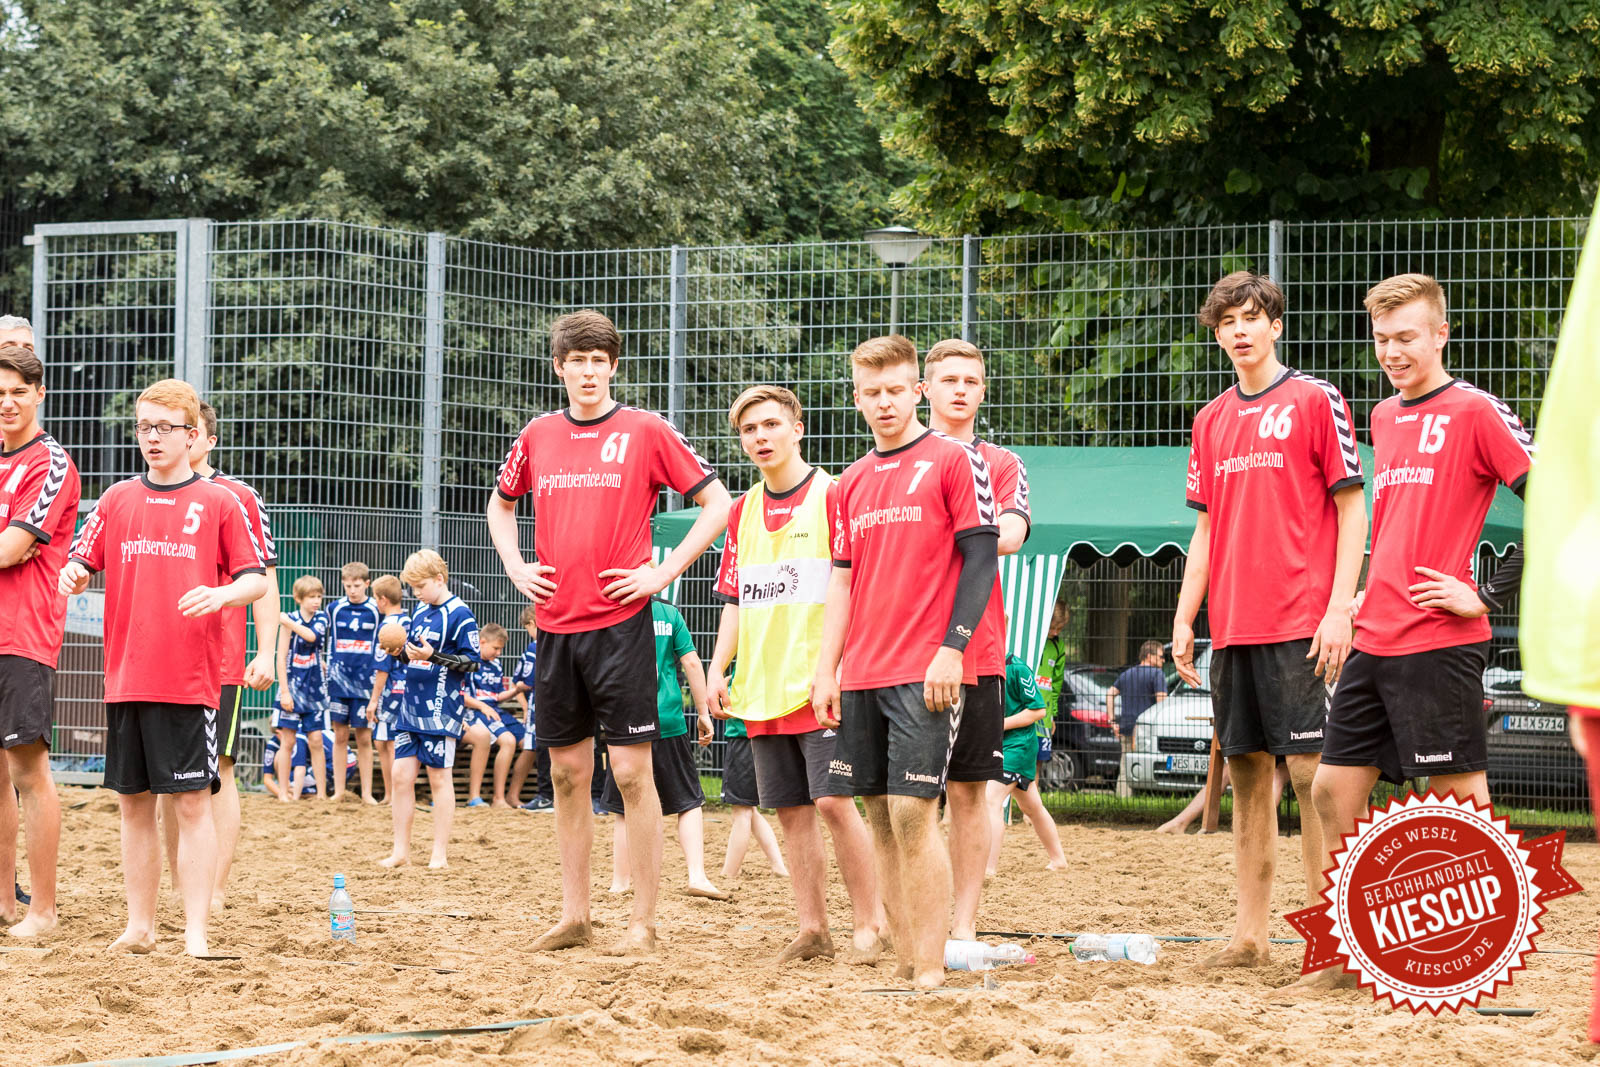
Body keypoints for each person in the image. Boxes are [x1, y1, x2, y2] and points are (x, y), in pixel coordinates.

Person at [1290, 273, 1532, 993]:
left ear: (1440, 335)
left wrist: (1486, 591)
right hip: (1376, 632)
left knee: (1458, 798)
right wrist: (1367, 588)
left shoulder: (1477, 410)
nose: (1393, 351)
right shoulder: (1384, 414)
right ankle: (1347, 954)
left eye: (1407, 337)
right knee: (1333, 789)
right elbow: (1395, 523)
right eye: (1383, 338)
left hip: (1442, 639)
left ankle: (1481, 956)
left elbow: (1561, 502)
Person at [486, 308, 730, 955]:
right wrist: (514, 564)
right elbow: (501, 501)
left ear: (613, 365)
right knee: (566, 774)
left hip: (623, 626)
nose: (589, 370)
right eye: (578, 359)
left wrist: (664, 572)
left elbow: (718, 502)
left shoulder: (645, 429)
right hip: (556, 627)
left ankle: (643, 924)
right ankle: (576, 915)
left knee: (629, 774)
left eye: (601, 359)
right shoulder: (538, 433)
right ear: (559, 366)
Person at [1172, 271, 1367, 971]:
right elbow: (1203, 529)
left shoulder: (1316, 399)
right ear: (1217, 333)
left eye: (1252, 316)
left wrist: (1341, 606)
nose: (1241, 329)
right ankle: (1249, 937)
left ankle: (1334, 940)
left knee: (1316, 774)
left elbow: (1352, 506)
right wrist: (1186, 615)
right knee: (1248, 776)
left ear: (1275, 325)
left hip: (1302, 622)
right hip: (1234, 627)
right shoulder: (1210, 419)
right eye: (1228, 320)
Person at [813, 334, 999, 989]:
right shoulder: (850, 483)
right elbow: (841, 581)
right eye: (872, 392)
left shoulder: (953, 459)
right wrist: (824, 667)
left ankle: (930, 962)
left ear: (917, 390)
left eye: (896, 389)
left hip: (928, 668)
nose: (885, 402)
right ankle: (902, 959)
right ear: (857, 399)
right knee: (878, 816)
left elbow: (980, 557)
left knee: (915, 811)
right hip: (861, 670)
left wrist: (953, 646)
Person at [59, 378, 266, 956]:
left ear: (192, 435)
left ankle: (195, 932)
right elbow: (80, 558)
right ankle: (140, 926)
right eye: (143, 427)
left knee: (194, 802)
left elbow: (254, 578)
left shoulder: (220, 502)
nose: (151, 438)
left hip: (188, 681)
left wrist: (223, 595)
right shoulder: (117, 499)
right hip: (127, 675)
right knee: (132, 804)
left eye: (164, 428)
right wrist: (73, 574)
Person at [707, 384, 882, 962]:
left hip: (821, 681)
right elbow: (734, 599)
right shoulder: (741, 511)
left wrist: (832, 668)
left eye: (771, 425)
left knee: (834, 803)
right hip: (761, 688)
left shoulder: (833, 494)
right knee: (789, 812)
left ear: (797, 428)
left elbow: (852, 585)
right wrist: (716, 668)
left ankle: (869, 923)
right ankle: (813, 929)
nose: (760, 437)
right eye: (749, 430)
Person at [921, 338, 1032, 945]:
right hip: (901, 651)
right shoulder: (895, 459)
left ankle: (961, 925)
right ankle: (913, 918)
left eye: (971, 380)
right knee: (901, 801)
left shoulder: (1002, 464)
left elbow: (1008, 537)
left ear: (982, 391)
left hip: (977, 651)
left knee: (967, 794)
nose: (960, 389)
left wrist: (945, 525)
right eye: (949, 379)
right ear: (925, 389)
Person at [157, 401, 280, 912]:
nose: (176, 439)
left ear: (205, 440)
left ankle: (215, 888)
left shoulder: (236, 497)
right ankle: (180, 883)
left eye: (188, 431)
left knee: (219, 769)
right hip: (163, 659)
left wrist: (266, 651)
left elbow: (265, 578)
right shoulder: (149, 492)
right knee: (166, 780)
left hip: (221, 660)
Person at [0, 343, 80, 938]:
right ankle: (5, 900)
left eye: (17, 392)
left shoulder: (51, 463)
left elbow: (11, 549)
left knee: (30, 772)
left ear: (40, 394)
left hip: (22, 634)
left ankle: (44, 910)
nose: (7, 403)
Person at [603, 597, 727, 900]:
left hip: (626, 719)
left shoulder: (610, 612)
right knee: (689, 802)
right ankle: (697, 875)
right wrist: (702, 714)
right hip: (668, 719)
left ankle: (620, 882)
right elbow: (692, 663)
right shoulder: (669, 613)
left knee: (623, 807)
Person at [381, 549, 479, 869]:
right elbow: (414, 656)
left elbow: (472, 662)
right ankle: (400, 852)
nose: (416, 593)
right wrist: (399, 652)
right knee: (400, 775)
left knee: (439, 778)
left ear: (439, 579)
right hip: (411, 705)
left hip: (441, 708)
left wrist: (433, 656)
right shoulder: (420, 611)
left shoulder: (460, 613)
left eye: (420, 585)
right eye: (412, 587)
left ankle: (439, 853)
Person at [985, 648, 1065, 874]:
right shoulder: (981, 665)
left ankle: (988, 869)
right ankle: (1058, 859)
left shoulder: (1017, 668)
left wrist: (999, 725)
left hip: (1018, 745)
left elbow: (1038, 710)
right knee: (1031, 806)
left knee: (991, 800)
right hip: (998, 745)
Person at [326, 562, 382, 803]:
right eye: (348, 585)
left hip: (365, 685)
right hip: (338, 684)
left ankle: (367, 793)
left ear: (367, 584)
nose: (352, 590)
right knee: (339, 736)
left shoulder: (377, 609)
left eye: (357, 585)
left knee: (364, 738)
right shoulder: (334, 609)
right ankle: (338, 791)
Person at [275, 576, 331, 800]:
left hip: (314, 690)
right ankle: (282, 792)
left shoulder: (320, 618)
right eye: (311, 597)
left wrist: (286, 621)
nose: (316, 601)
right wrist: (285, 691)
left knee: (316, 739)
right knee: (287, 741)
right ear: (298, 598)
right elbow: (281, 657)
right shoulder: (291, 620)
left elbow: (312, 636)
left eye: (319, 596)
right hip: (291, 688)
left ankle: (321, 794)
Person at [716, 713, 788, 883]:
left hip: (743, 737)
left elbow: (726, 707)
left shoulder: (737, 684)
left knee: (741, 811)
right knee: (750, 809)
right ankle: (778, 866)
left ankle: (729, 873)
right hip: (765, 738)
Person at [461, 623, 523, 809]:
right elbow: (460, 694)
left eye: (501, 649)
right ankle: (497, 798)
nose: (498, 653)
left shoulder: (496, 664)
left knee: (529, 741)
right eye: (496, 648)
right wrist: (482, 706)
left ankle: (513, 795)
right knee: (508, 741)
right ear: (482, 641)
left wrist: (516, 691)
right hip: (477, 711)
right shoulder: (469, 662)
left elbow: (497, 696)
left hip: (496, 709)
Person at [366, 574, 409, 803]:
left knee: (389, 744)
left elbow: (383, 668)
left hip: (391, 692)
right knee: (384, 742)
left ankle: (394, 795)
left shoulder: (387, 628)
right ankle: (392, 794)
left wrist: (373, 700)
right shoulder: (410, 621)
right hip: (408, 690)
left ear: (382, 599)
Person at [1108, 641, 1168, 799]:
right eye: (1161, 657)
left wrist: (1112, 721)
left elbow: (1110, 693)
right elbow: (1162, 701)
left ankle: (1123, 800)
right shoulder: (1157, 674)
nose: (1163, 661)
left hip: (1127, 727)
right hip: (1146, 731)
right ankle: (1150, 798)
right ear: (1149, 656)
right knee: (1149, 763)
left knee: (1125, 765)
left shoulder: (1127, 674)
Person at [509, 606, 552, 812]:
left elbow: (522, 682)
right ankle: (514, 795)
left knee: (534, 748)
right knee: (532, 748)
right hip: (542, 703)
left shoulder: (536, 646)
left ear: (533, 623)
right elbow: (521, 683)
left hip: (541, 703)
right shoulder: (547, 644)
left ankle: (524, 795)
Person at [1033, 602, 1069, 781]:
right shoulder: (1030, 639)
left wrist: (1052, 715)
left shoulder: (1058, 646)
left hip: (1044, 717)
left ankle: (1028, 810)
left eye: (1059, 629)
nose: (1055, 632)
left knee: (1037, 763)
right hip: (1022, 710)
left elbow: (1056, 683)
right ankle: (1004, 808)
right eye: (1052, 627)